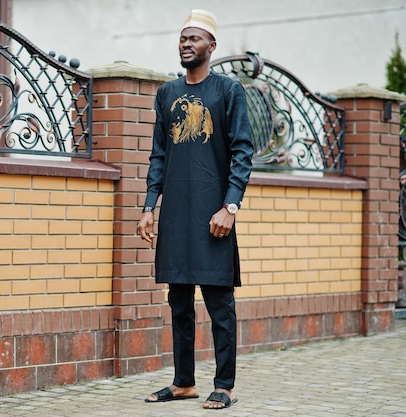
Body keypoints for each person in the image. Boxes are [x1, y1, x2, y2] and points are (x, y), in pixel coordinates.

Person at [137, 9, 253, 410]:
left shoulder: (228, 91)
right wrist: (150, 206)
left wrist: (230, 206)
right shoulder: (167, 94)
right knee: (179, 300)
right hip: (176, 215)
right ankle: (183, 381)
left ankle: (225, 385)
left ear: (211, 46)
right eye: (183, 37)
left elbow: (243, 152)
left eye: (195, 38)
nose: (187, 43)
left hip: (213, 216)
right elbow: (159, 155)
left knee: (219, 303)